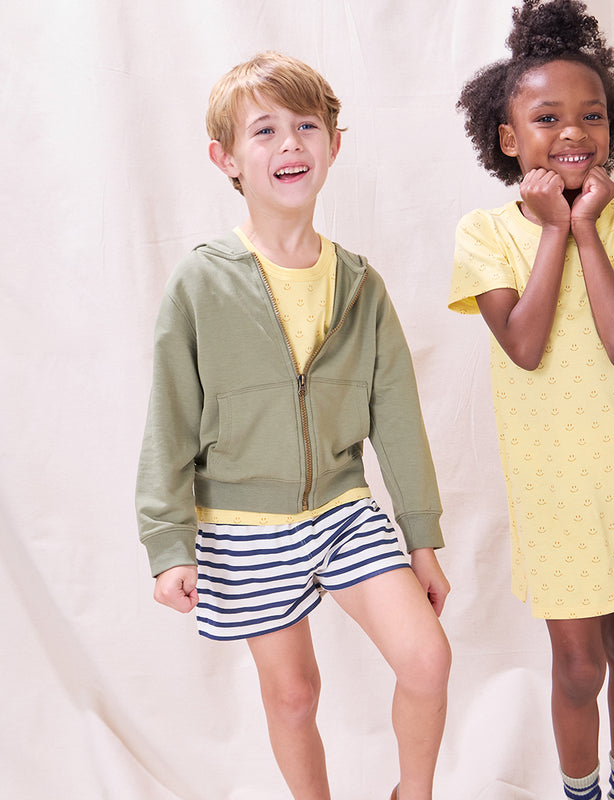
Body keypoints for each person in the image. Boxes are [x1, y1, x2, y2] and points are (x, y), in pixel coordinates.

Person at [136, 51, 451, 800]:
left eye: (307, 126)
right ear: (226, 159)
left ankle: (413, 794)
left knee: (427, 659)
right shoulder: (200, 281)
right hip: (241, 525)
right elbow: (169, 419)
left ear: (334, 146)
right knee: (294, 696)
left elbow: (397, 416)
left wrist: (421, 538)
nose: (290, 144)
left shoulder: (360, 285)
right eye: (265, 130)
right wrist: (168, 543)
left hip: (342, 508)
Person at [448, 2, 614, 798]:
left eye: (592, 115)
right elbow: (523, 343)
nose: (574, 131)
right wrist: (552, 230)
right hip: (551, 482)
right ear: (509, 138)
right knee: (579, 667)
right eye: (547, 118)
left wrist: (586, 228)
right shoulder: (485, 233)